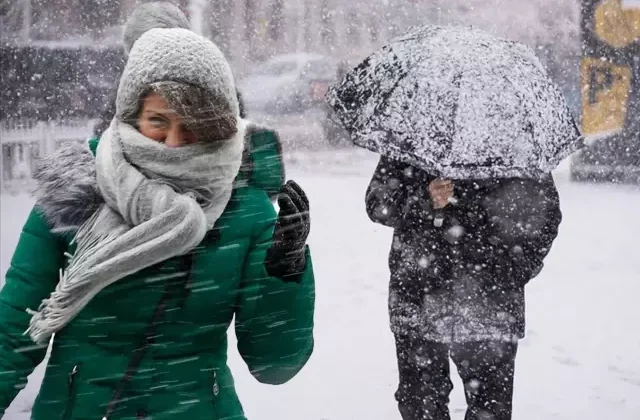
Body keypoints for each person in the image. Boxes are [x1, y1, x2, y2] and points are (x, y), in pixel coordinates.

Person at [0, 16, 315, 420]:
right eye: (158, 123)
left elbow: (275, 364)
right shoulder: (78, 188)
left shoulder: (245, 210)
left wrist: (286, 273)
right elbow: (16, 325)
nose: (173, 144)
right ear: (131, 114)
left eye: (192, 127)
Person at [366, 156, 561, 420]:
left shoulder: (513, 141)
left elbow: (545, 214)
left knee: (490, 410)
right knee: (420, 406)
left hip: (490, 305)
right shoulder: (414, 133)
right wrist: (424, 198)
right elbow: (378, 204)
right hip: (419, 297)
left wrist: (513, 270)